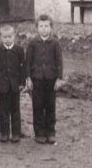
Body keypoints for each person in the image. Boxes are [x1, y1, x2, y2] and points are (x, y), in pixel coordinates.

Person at [25, 14, 64, 145]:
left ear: (51, 28)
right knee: (37, 106)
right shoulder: (32, 43)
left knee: (50, 106)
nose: (44, 29)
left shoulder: (55, 43)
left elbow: (59, 62)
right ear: (37, 28)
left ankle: (51, 132)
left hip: (51, 80)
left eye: (46, 26)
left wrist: (59, 78)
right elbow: (28, 62)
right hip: (36, 80)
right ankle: (39, 133)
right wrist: (28, 78)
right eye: (41, 26)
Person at [0, 24, 26, 143]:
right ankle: (4, 133)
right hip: (3, 86)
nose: (7, 39)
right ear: (1, 37)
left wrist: (22, 82)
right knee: (3, 110)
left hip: (15, 85)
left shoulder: (19, 50)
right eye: (5, 37)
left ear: (14, 36)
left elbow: (22, 67)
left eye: (10, 36)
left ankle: (16, 133)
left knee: (15, 110)